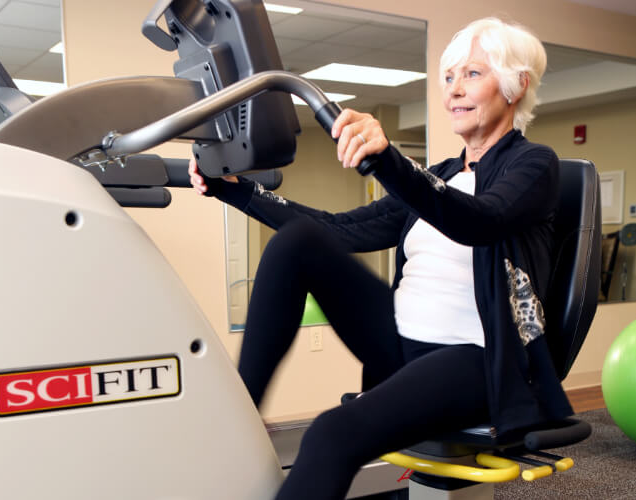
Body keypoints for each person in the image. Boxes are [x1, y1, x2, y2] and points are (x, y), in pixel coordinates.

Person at [189, 17, 571, 500]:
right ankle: (237, 422)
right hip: (399, 345)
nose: (454, 90)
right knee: (300, 242)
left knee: (332, 433)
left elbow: (479, 220)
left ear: (517, 85)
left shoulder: (534, 165)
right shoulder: (441, 175)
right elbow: (343, 228)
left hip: (473, 361)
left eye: (472, 74)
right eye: (449, 77)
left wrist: (390, 160)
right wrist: (238, 193)